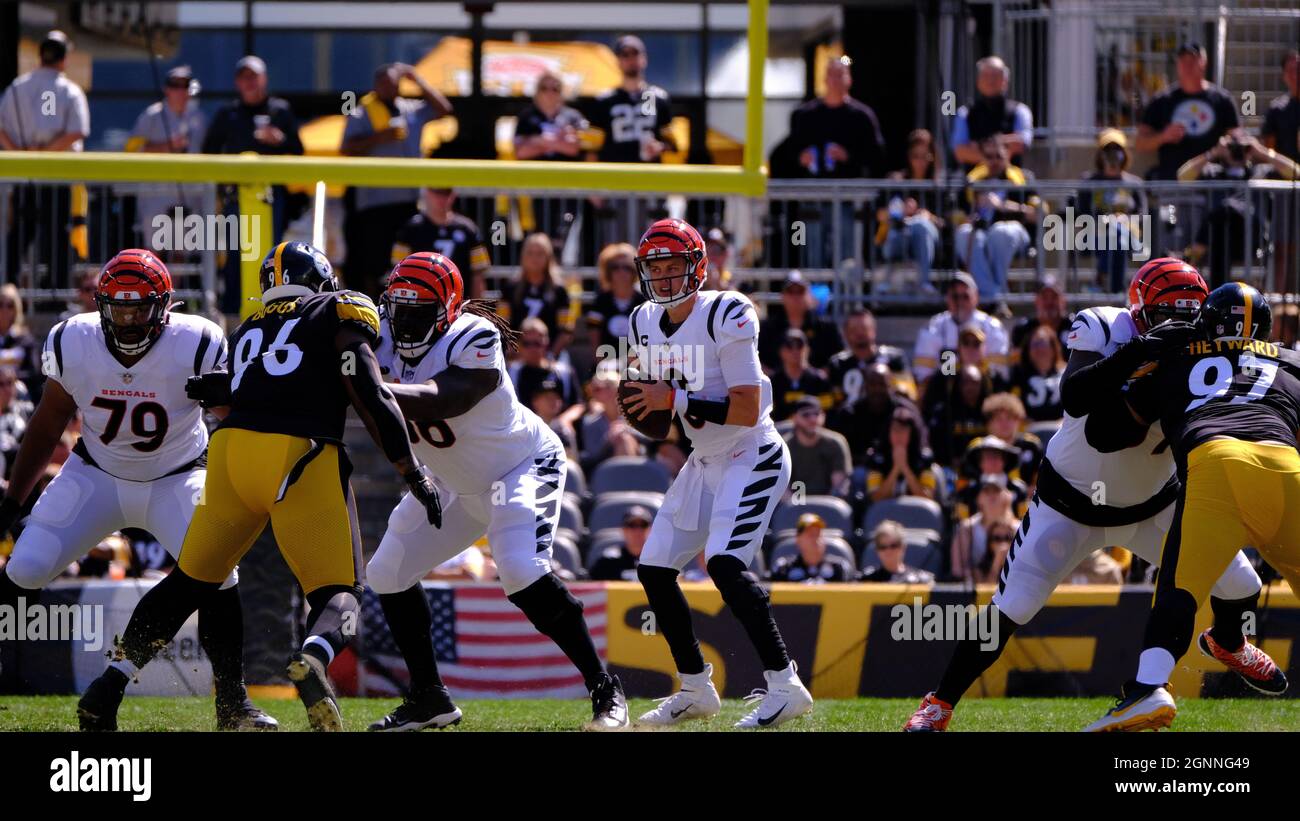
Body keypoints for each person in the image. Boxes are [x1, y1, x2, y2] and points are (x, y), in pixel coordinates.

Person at [75, 242, 440, 732]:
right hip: (298, 455)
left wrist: (221, 388)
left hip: (229, 455)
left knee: (189, 582)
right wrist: (411, 469)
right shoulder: (340, 307)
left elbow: (260, 382)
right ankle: (313, 657)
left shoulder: (250, 326)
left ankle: (110, 684)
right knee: (342, 592)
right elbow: (369, 391)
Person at [904, 258, 1270, 732]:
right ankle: (939, 703)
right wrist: (1144, 349)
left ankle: (1229, 643)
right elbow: (1075, 396)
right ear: (1139, 311)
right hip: (1070, 505)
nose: (1178, 326)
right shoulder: (1104, 326)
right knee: (1011, 607)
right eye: (1166, 316)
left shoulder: (1205, 354)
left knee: (1242, 586)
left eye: (1188, 315)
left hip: (1155, 507)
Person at [0, 249, 271, 729]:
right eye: (118, 308)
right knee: (25, 566)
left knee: (220, 574)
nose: (126, 319)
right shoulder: (74, 338)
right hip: (96, 474)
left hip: (178, 475)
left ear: (164, 308)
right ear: (100, 304)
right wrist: (12, 502)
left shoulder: (198, 341)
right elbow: (47, 424)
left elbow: (236, 422)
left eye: (138, 308)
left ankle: (233, 703)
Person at [360, 251, 627, 730]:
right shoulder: (377, 333)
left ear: (448, 310)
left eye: (417, 311)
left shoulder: (475, 336)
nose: (402, 322)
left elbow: (444, 398)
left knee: (521, 570)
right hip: (452, 482)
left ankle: (605, 689)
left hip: (519, 467)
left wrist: (361, 384)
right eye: (397, 309)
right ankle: (429, 698)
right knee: (387, 573)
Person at [618, 218, 813, 728]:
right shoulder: (641, 321)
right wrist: (648, 409)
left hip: (752, 451)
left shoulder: (727, 311)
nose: (662, 277)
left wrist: (674, 398)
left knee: (725, 565)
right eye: (654, 268)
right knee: (655, 568)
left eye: (672, 265)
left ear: (698, 267)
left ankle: (785, 684)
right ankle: (696, 688)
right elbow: (662, 419)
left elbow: (748, 409)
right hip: (703, 457)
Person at [1087, 282, 1298, 731]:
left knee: (1179, 588)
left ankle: (1148, 689)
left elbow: (1106, 434)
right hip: (1286, 466)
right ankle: (1227, 643)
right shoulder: (1291, 361)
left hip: (1215, 461)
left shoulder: (1176, 356)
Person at [342, 62, 453, 299]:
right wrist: (379, 137)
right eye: (385, 83)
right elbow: (346, 148)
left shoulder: (410, 109)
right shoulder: (361, 112)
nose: (390, 87)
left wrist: (417, 79)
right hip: (374, 204)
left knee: (407, 261)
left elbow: (444, 108)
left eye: (395, 82)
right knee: (374, 262)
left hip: (408, 202)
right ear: (376, 86)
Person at [202, 56, 304, 310]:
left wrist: (278, 141)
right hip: (236, 197)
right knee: (237, 254)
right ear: (237, 82)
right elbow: (208, 153)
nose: (250, 82)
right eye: (244, 77)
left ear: (264, 79)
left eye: (254, 76)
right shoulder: (228, 114)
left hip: (272, 197)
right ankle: (235, 313)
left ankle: (272, 309)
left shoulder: (280, 110)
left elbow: (299, 152)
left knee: (273, 255)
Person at [0, 30, 90, 285]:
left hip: (24, 173)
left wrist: (20, 153)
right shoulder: (67, 90)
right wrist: (42, 154)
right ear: (64, 59)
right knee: (55, 236)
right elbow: (76, 132)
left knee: (21, 234)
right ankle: (53, 296)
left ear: (40, 56)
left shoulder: (18, 87)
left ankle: (9, 289)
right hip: (54, 175)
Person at [1178, 130, 1300, 288]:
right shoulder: (1213, 172)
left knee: (1225, 208)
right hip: (1220, 238)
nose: (1237, 150)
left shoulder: (1260, 172)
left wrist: (1262, 152)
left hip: (1251, 238)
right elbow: (1182, 177)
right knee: (1221, 223)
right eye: (1233, 145)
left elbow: (1296, 173)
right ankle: (1218, 291)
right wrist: (1213, 152)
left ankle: (1196, 250)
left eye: (1242, 146)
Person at [128, 65, 208, 253]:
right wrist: (167, 145)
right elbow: (132, 149)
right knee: (154, 249)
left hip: (188, 193)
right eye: (175, 85)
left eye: (184, 86)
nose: (180, 91)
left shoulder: (199, 118)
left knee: (181, 251)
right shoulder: (152, 115)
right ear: (167, 89)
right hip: (156, 194)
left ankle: (174, 284)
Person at [1136, 42, 1240, 180]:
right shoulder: (1161, 101)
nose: (1188, 65)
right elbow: (1140, 143)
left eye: (1193, 60)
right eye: (1183, 61)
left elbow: (1235, 138)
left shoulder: (1222, 100)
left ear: (1204, 63)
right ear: (1177, 65)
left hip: (1212, 179)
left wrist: (1226, 145)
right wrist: (1163, 136)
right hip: (1173, 178)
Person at [955, 139, 1040, 299]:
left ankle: (989, 298)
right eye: (989, 156)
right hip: (981, 232)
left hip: (1015, 232)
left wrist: (1003, 206)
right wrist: (970, 215)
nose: (993, 161)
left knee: (1000, 232)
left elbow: (1039, 213)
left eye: (998, 156)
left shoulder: (1024, 177)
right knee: (965, 233)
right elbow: (955, 214)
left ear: (1008, 155)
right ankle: (995, 296)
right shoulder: (972, 180)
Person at [1076, 130, 1147, 291]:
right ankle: (1116, 290)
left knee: (1118, 233)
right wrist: (1105, 220)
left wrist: (1125, 219)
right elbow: (1084, 212)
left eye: (1117, 150)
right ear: (1100, 155)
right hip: (1095, 236)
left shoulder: (1134, 183)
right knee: (1115, 234)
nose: (1113, 155)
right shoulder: (1089, 182)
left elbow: (1143, 214)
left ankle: (1101, 279)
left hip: (1130, 235)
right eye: (1108, 150)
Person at [391, 187, 491, 300]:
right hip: (420, 301)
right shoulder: (409, 230)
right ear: (427, 192)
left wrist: (476, 308)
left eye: (446, 193)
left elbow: (478, 275)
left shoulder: (468, 229)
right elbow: (399, 271)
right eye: (437, 192)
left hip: (459, 302)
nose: (442, 198)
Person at [876, 129, 944, 292]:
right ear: (908, 156)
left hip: (928, 241)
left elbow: (947, 222)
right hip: (896, 239)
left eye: (925, 156)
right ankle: (887, 282)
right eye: (915, 156)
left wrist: (929, 217)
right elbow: (878, 215)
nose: (920, 161)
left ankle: (924, 283)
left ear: (932, 157)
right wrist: (901, 211)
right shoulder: (896, 181)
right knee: (902, 229)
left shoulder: (939, 187)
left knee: (921, 225)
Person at [912, 272, 1011, 385]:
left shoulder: (992, 328)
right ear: (947, 298)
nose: (960, 302)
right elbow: (923, 376)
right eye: (955, 297)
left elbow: (999, 374)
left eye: (965, 297)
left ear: (976, 298)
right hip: (945, 393)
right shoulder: (933, 328)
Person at [950, 56, 1034, 167]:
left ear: (1005, 81)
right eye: (986, 76)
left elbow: (1023, 142)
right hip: (973, 182)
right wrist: (995, 156)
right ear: (978, 81)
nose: (990, 80)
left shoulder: (1020, 111)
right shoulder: (965, 113)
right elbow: (960, 151)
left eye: (995, 76)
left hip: (1012, 181)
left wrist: (980, 145)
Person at [826, 307, 913, 407]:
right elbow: (832, 402)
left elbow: (908, 394)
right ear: (845, 333)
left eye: (864, 328)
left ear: (874, 330)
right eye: (854, 329)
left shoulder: (894, 359)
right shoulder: (838, 363)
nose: (859, 333)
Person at [504, 232, 574, 354]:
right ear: (523, 256)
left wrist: (550, 355)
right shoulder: (510, 288)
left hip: (551, 354)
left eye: (540, 254)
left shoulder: (559, 290)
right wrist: (514, 354)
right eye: (530, 253)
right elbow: (502, 325)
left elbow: (566, 330)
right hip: (516, 356)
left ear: (548, 257)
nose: (534, 258)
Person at [758, 270, 841, 371]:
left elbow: (838, 358)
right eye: (790, 292)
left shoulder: (826, 328)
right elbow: (757, 359)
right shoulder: (767, 329)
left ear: (809, 296)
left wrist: (821, 377)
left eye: (800, 291)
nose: (795, 297)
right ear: (783, 296)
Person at [949, 475, 1020, 584]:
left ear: (1007, 497)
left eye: (997, 491)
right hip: (976, 591)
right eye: (986, 491)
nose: (992, 496)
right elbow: (958, 570)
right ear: (979, 499)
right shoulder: (967, 529)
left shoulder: (1020, 529)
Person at [865, 406, 941, 502]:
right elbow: (875, 498)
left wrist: (905, 468)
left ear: (911, 434)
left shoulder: (924, 459)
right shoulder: (877, 458)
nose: (899, 435)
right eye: (895, 430)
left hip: (916, 514)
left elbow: (927, 498)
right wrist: (896, 469)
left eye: (903, 430)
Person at [578, 364, 642, 477]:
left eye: (599, 389)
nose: (594, 393)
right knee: (622, 439)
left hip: (638, 457)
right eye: (593, 390)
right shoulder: (590, 421)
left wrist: (626, 430)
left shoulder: (634, 414)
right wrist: (610, 438)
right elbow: (592, 453)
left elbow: (651, 439)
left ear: (616, 389)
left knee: (625, 437)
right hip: (605, 469)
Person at [783, 396, 852, 498]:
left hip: (828, 503)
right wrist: (798, 507)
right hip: (793, 504)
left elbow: (838, 486)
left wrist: (822, 508)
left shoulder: (836, 443)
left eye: (816, 413)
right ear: (794, 418)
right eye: (806, 415)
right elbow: (782, 488)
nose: (813, 419)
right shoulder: (783, 447)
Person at [586, 242, 644, 359]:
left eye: (627, 267)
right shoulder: (600, 301)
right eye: (615, 267)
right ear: (608, 271)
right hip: (605, 366)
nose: (621, 272)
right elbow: (594, 339)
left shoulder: (644, 302)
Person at [514, 69, 588, 162]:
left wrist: (538, 140)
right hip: (535, 172)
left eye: (555, 89)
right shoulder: (526, 117)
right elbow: (521, 152)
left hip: (567, 172)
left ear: (562, 92)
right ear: (537, 92)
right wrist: (559, 141)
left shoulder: (574, 116)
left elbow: (574, 149)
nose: (550, 92)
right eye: (544, 88)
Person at [508, 318, 580, 410]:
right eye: (527, 344)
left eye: (537, 343)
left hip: (554, 423)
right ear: (519, 344)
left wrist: (562, 421)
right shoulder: (510, 373)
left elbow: (578, 405)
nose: (532, 349)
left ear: (546, 343)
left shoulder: (564, 372)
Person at [768, 513, 856, 583]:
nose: (815, 539)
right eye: (811, 535)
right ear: (798, 540)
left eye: (818, 535)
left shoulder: (838, 569)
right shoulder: (784, 569)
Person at [770, 328, 834, 421]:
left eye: (799, 346)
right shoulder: (773, 381)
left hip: (813, 430)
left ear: (807, 349)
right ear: (781, 351)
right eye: (789, 346)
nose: (795, 351)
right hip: (780, 431)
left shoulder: (819, 380)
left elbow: (828, 411)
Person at [1009, 275, 1071, 364]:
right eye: (1045, 297)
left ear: (1063, 300)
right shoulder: (1023, 330)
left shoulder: (1074, 327)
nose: (1049, 303)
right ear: (1036, 301)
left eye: (1054, 297)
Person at [1010, 324, 1066, 423]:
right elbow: (1013, 404)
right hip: (1030, 432)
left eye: (1042, 343)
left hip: (1062, 430)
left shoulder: (1067, 372)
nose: (1038, 348)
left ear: (1053, 348)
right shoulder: (1018, 375)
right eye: (1034, 344)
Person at [0, 283, 44, 401]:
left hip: (18, 397)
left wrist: (11, 377)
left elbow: (34, 372)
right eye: (0, 305)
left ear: (16, 309)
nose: (4, 310)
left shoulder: (25, 340)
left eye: (9, 305)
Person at [589, 506, 653, 581]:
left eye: (643, 525)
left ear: (650, 530)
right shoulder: (608, 562)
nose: (638, 531)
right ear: (624, 530)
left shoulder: (661, 563)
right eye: (632, 525)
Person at [862, 520, 935, 584]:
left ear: (903, 547)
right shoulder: (866, 581)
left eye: (893, 546)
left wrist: (916, 595)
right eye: (883, 547)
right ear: (877, 550)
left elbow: (918, 600)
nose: (888, 551)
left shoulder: (919, 581)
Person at [1261, 49, 1299, 164]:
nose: (1296, 75)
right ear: (1284, 76)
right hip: (1285, 176)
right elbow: (1269, 151)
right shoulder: (1276, 109)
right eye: (1291, 71)